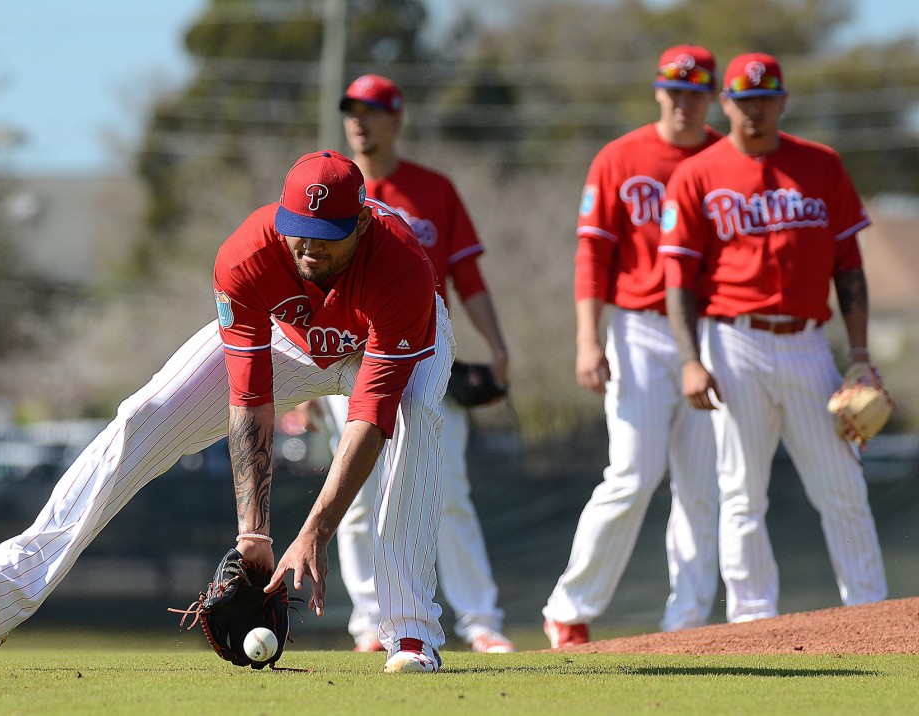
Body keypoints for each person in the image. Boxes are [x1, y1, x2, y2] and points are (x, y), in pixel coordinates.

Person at [0, 149, 455, 674]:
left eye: (328, 234)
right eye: (299, 228)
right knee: (145, 414)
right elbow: (250, 399)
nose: (310, 246)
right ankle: (6, 590)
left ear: (361, 221)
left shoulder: (401, 266)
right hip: (293, 339)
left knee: (413, 425)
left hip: (387, 340)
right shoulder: (247, 256)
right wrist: (255, 536)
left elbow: (370, 415)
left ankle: (410, 632)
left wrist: (315, 530)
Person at [659, 52, 888, 623]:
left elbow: (850, 269)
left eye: (765, 99)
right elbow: (679, 280)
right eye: (743, 100)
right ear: (726, 103)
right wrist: (691, 360)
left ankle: (870, 613)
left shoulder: (822, 166)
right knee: (741, 491)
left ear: (782, 101)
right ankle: (752, 618)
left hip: (810, 342)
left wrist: (860, 358)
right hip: (734, 341)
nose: (754, 110)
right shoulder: (697, 175)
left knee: (842, 485)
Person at [311, 74, 514, 654]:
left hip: (424, 352)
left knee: (446, 489)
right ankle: (370, 624)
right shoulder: (331, 191)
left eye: (372, 109)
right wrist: (299, 386)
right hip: (345, 354)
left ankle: (480, 619)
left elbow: (468, 276)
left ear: (396, 119)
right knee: (352, 495)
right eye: (351, 109)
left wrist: (495, 342)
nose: (359, 119)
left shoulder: (434, 191)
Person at [541, 45, 722, 647]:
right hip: (640, 328)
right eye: (675, 89)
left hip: (710, 331)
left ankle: (688, 619)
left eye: (696, 90)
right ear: (657, 91)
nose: (684, 100)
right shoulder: (620, 157)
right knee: (633, 473)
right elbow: (593, 252)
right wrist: (588, 339)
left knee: (703, 482)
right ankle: (569, 607)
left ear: (713, 95)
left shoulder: (725, 156)